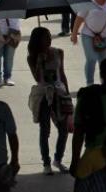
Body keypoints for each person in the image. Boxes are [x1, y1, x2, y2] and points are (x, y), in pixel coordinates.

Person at [27, 27, 70, 175]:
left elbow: (62, 74)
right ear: (38, 40)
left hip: (59, 93)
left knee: (63, 129)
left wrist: (67, 94)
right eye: (46, 37)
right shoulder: (32, 57)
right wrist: (39, 62)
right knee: (45, 130)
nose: (49, 39)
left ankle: (58, 159)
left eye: (49, 36)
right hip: (44, 95)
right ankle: (46, 162)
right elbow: (37, 78)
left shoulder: (59, 52)